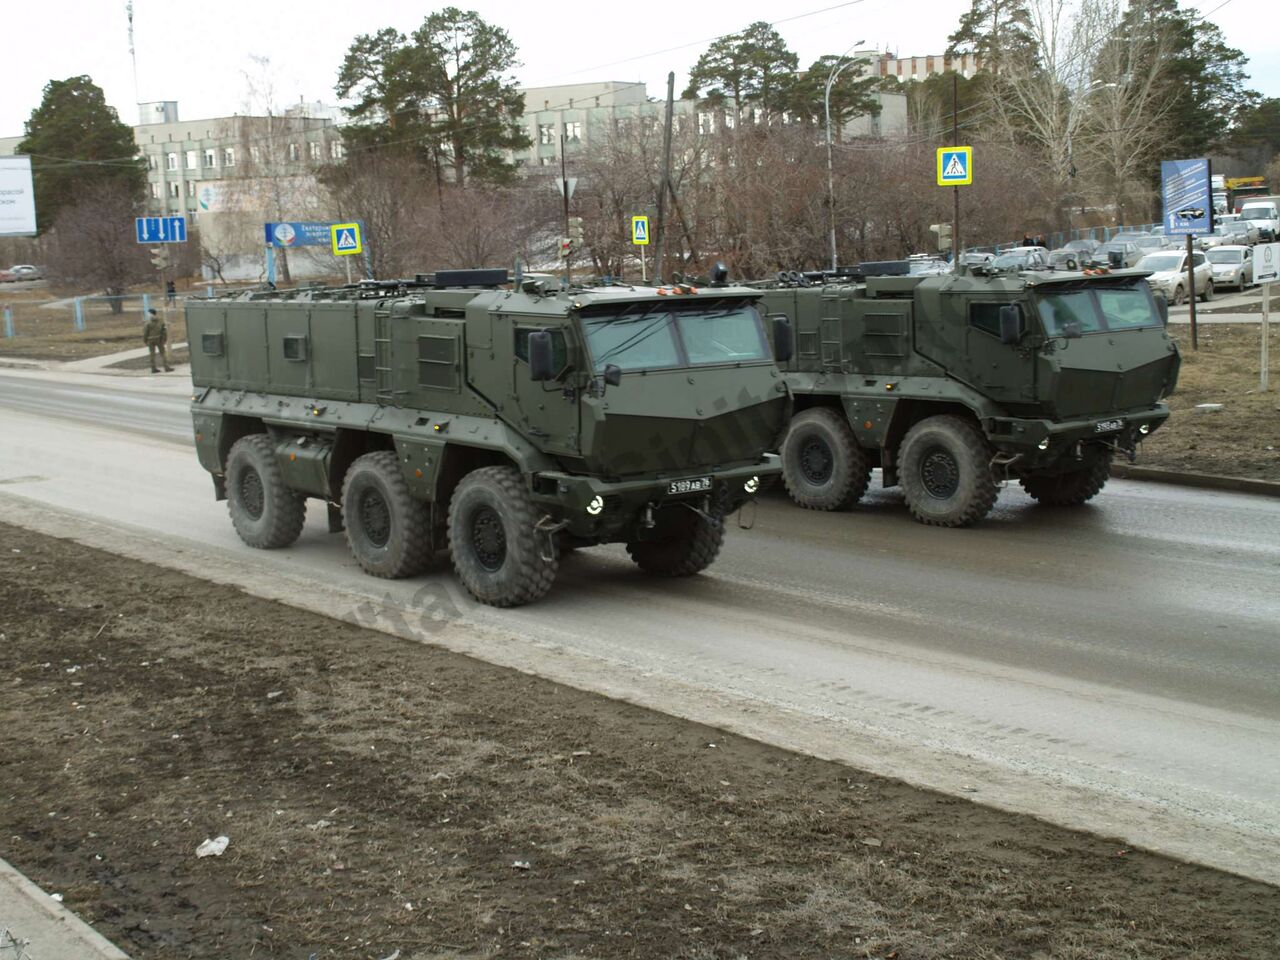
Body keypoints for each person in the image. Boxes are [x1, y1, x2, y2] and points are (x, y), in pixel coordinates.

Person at [143, 308, 174, 373]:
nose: (148, 315)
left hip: (150, 340)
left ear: (151, 314)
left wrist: (145, 340)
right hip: (159, 339)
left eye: (148, 313)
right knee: (163, 353)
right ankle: (166, 367)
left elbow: (145, 333)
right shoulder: (161, 321)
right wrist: (164, 339)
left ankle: (153, 368)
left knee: (152, 354)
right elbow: (164, 331)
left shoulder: (148, 323)